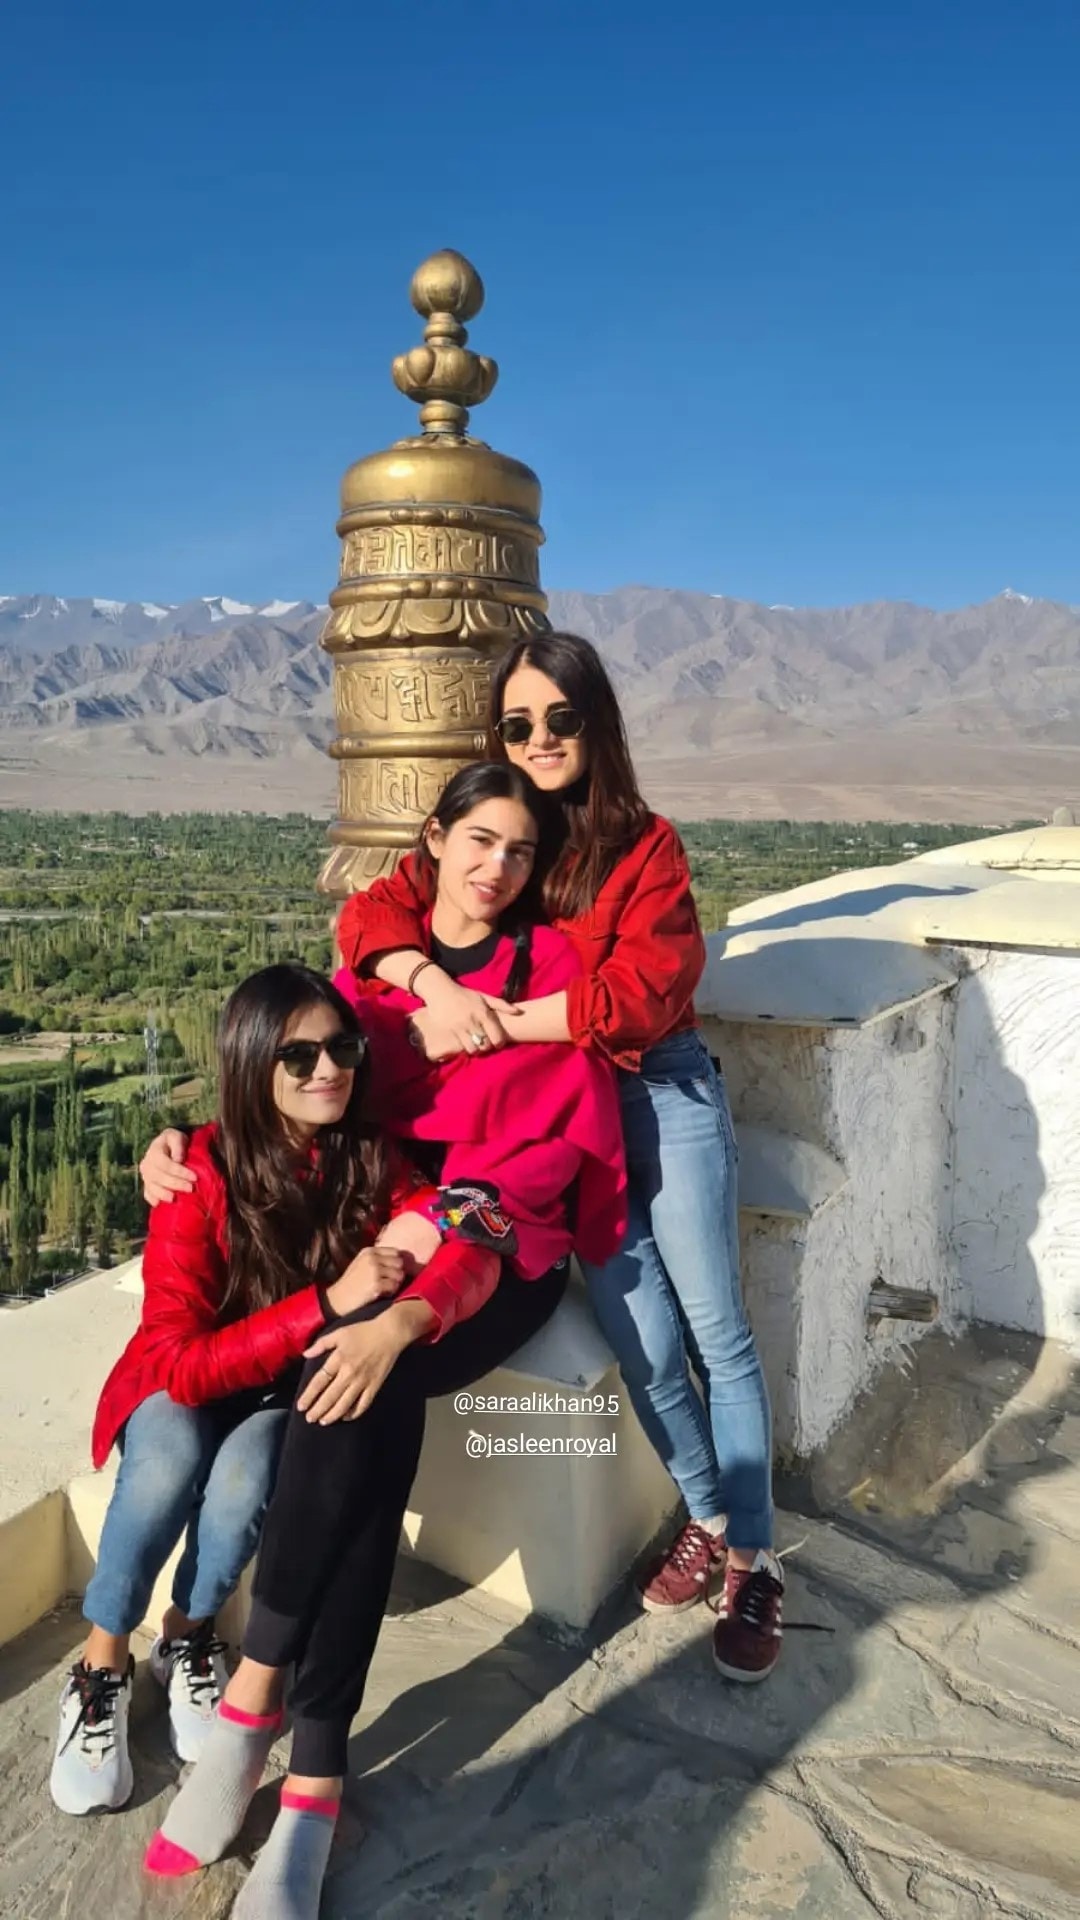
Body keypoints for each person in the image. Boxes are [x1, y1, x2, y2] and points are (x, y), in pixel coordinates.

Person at [138, 764, 626, 1919]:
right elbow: (290, 1073)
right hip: (406, 1232)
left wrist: (410, 1312)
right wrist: (186, 1145)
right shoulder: (376, 977)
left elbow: (523, 1178)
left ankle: (255, 1708)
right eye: (480, 841)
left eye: (520, 850)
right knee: (364, 1404)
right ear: (437, 837)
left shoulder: (542, 979)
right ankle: (314, 1778)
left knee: (371, 1373)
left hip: (502, 1249)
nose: (498, 868)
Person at [332, 632, 784, 1683]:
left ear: (597, 724)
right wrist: (438, 992)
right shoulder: (511, 838)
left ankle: (755, 1559)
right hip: (561, 1121)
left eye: (560, 720)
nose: (538, 741)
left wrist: (497, 1021)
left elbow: (637, 997)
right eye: (517, 724)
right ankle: (709, 1515)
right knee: (645, 1341)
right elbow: (373, 911)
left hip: (656, 1093)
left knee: (717, 1328)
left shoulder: (646, 847)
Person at [51, 961, 462, 1817]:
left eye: (342, 1047)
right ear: (250, 1063)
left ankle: (189, 1640)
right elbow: (179, 1362)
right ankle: (101, 1665)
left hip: (275, 1391)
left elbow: (442, 1212)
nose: (328, 1069)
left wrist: (442, 1231)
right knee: (166, 1460)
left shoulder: (365, 1159)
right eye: (298, 1055)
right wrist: (328, 1303)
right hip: (188, 1380)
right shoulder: (196, 1171)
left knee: (245, 1479)